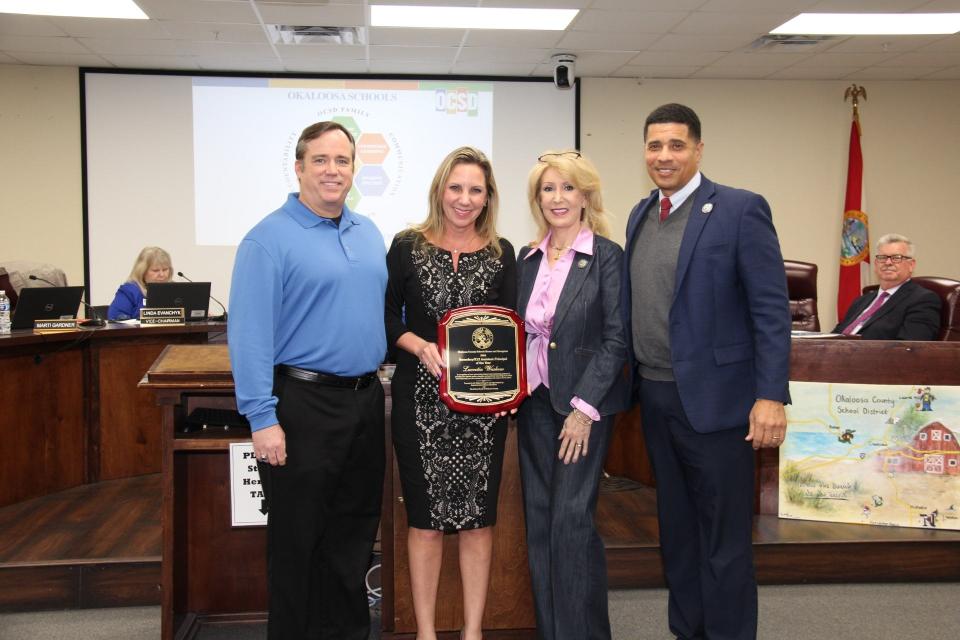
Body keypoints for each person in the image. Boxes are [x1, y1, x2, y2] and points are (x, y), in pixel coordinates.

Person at [623, 103, 792, 640]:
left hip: (720, 406)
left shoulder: (741, 209)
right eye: (655, 146)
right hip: (655, 399)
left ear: (698, 148)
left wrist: (770, 395)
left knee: (723, 541)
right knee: (677, 535)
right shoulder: (640, 214)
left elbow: (771, 309)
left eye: (676, 145)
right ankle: (687, 631)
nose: (664, 156)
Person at [228, 121, 387, 640]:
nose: (332, 170)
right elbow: (249, 335)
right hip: (301, 405)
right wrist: (261, 417)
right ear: (298, 167)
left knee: (353, 538)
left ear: (353, 170)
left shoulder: (367, 232)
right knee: (298, 544)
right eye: (320, 160)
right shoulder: (267, 239)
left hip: (365, 403)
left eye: (342, 161)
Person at [385, 146, 516, 640]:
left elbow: (512, 332)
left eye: (475, 190)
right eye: (456, 187)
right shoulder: (405, 246)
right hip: (419, 401)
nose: (464, 199)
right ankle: (425, 632)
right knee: (426, 521)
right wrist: (416, 344)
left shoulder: (503, 254)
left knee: (479, 521)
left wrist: (509, 387)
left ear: (487, 198)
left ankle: (473, 632)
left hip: (484, 411)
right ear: (440, 190)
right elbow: (386, 317)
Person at [516, 150, 629, 640]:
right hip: (534, 404)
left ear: (586, 196)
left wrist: (585, 410)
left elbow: (616, 338)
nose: (557, 198)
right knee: (541, 526)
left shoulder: (606, 256)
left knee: (571, 522)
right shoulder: (526, 258)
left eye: (567, 188)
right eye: (548, 189)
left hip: (581, 409)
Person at [833, 233, 941, 340]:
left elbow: (911, 348)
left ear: (911, 265)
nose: (888, 262)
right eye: (882, 257)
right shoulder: (861, 301)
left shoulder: (922, 300)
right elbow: (836, 335)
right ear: (876, 264)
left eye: (896, 258)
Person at [106, 246, 172, 320]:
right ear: (142, 271)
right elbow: (115, 319)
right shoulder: (130, 291)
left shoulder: (175, 290)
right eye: (155, 270)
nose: (162, 274)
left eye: (165, 269)